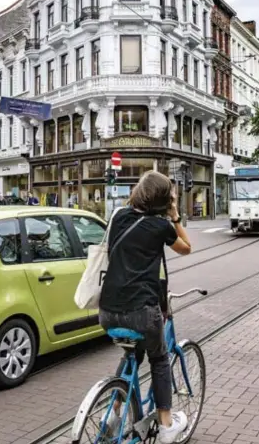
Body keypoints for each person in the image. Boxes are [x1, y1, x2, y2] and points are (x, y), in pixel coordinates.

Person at [98, 171, 192, 443]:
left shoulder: (118, 216)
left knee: (133, 355)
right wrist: (174, 216)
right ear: (165, 200)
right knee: (160, 359)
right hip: (142, 310)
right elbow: (187, 247)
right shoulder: (160, 226)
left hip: (107, 310)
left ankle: (112, 417)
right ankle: (166, 426)